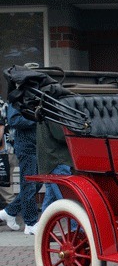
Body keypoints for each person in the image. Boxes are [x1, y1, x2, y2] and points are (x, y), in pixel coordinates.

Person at [0, 104, 40, 234]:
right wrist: (36, 120)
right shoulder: (18, 99)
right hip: (26, 146)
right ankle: (30, 223)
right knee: (29, 184)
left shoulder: (33, 98)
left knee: (37, 183)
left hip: (37, 145)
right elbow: (14, 120)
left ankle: (9, 211)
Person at [38, 119, 73, 214]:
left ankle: (41, 227)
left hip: (51, 160)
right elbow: (61, 134)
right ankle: (76, 227)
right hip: (58, 159)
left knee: (50, 199)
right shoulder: (52, 111)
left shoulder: (45, 109)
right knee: (67, 200)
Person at [0, 97, 15, 209]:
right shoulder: (5, 104)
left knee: (5, 183)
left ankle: (11, 210)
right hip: (11, 147)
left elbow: (0, 126)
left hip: (3, 149)